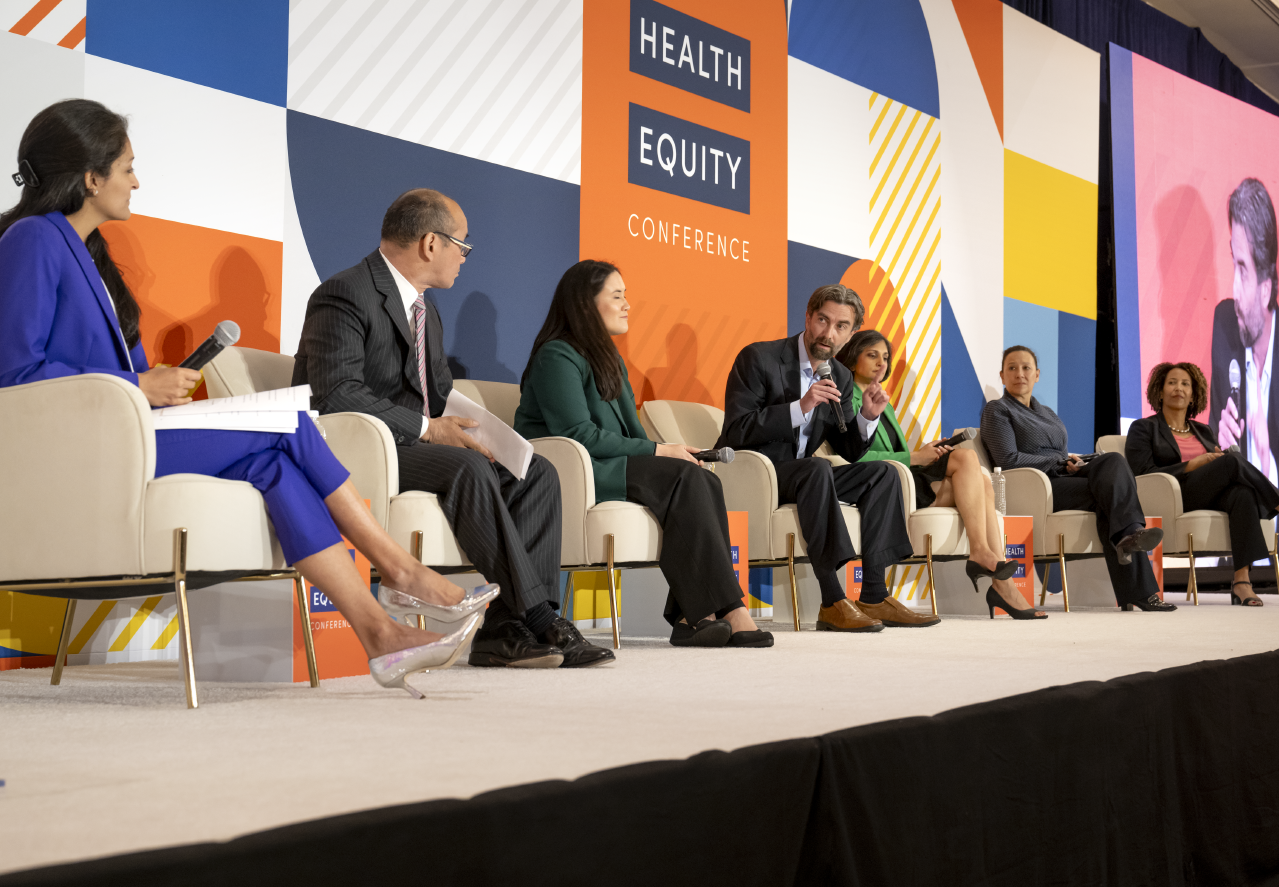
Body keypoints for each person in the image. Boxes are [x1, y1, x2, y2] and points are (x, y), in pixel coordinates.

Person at [0, 99, 497, 698]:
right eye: (127, 167)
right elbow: (16, 374)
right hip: (85, 451)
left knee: (275, 464)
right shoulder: (32, 239)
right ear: (90, 176)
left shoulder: (93, 257)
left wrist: (159, 387)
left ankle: (380, 633)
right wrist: (138, 387)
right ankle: (402, 572)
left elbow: (105, 378)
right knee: (290, 425)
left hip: (128, 434)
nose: (136, 181)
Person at [292, 188, 612, 668]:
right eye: (462, 246)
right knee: (465, 467)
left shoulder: (426, 310)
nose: (465, 258)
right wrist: (427, 429)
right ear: (430, 243)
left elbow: (439, 393)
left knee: (537, 471)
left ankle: (504, 631)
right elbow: (337, 393)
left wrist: (489, 436)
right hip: (366, 448)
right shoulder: (345, 293)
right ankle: (542, 617)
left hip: (415, 443)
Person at [515, 260, 773, 647]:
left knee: (699, 475)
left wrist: (669, 452)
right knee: (685, 477)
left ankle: (693, 615)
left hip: (609, 464)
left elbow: (633, 433)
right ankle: (727, 610)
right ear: (585, 304)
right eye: (616, 296)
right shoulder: (556, 355)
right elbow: (577, 434)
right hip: (573, 472)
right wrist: (658, 449)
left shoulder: (610, 358)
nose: (627, 304)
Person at [715, 285, 931, 631]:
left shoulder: (840, 377)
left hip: (803, 477)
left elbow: (848, 450)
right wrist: (800, 408)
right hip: (756, 474)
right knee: (816, 469)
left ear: (851, 333)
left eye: (841, 326)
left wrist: (868, 418)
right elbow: (737, 429)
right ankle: (832, 600)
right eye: (822, 320)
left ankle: (874, 593)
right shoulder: (759, 358)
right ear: (808, 317)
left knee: (884, 473)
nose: (828, 333)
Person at [836, 331, 1043, 619]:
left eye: (885, 358)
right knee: (967, 457)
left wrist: (921, 452)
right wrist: (915, 457)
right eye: (872, 355)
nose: (882, 363)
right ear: (852, 356)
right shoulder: (846, 398)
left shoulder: (883, 400)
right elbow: (853, 455)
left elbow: (895, 452)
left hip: (903, 475)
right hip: (879, 484)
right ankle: (989, 565)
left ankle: (997, 575)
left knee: (980, 476)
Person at [981, 346, 1173, 611]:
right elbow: (1008, 460)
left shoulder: (1047, 412)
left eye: (1026, 368)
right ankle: (1139, 578)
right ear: (1002, 376)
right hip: (1039, 487)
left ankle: (1130, 542)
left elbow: (1061, 453)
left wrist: (1074, 461)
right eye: (1012, 368)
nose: (1019, 374)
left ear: (1037, 375)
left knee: (1114, 462)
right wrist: (1059, 462)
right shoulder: (998, 410)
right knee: (1109, 493)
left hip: (1064, 473)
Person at [1127, 361, 1279, 606]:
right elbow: (1143, 473)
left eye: (1186, 384)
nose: (1179, 388)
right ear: (1160, 390)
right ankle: (1276, 500)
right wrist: (1193, 464)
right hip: (1174, 497)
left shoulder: (1204, 431)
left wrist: (1213, 462)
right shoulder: (1144, 428)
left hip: (1205, 493)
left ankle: (1242, 582)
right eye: (1172, 383)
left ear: (1193, 394)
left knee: (1242, 493)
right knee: (1231, 462)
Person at [1210, 178, 1278, 484]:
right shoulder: (1225, 323)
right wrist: (1218, 442)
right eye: (1232, 263)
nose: (1234, 289)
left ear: (1266, 289)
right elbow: (1213, 431)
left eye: (1243, 269)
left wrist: (1266, 458)